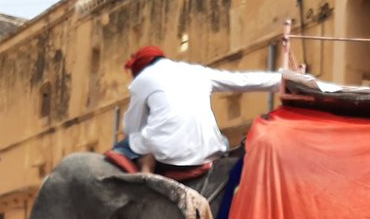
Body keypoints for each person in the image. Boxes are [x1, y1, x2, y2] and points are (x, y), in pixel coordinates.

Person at [112, 45, 283, 173]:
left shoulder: (141, 80)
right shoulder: (197, 72)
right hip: (209, 152)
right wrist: (282, 79)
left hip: (170, 157)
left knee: (124, 147)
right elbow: (242, 81)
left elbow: (132, 126)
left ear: (139, 69)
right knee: (222, 139)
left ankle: (145, 177)